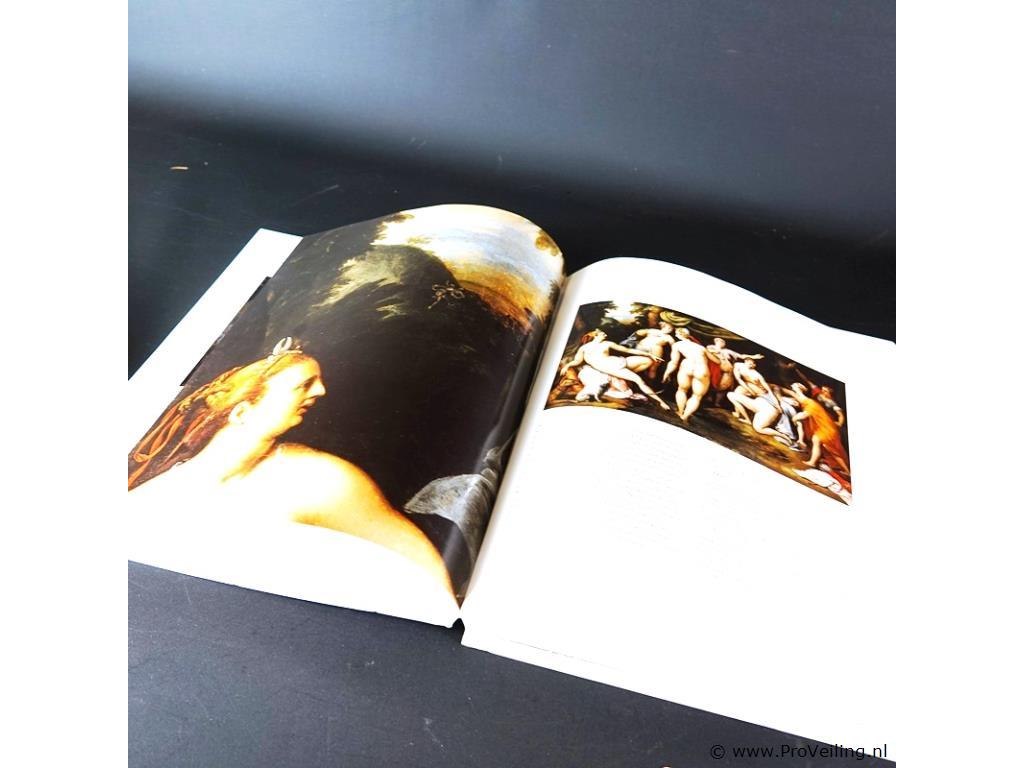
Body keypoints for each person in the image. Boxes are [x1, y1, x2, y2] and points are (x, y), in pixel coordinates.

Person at [128, 338, 454, 595]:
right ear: (242, 413)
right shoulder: (159, 493)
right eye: (305, 384)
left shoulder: (320, 480)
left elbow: (429, 575)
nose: (321, 390)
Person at [560, 330, 671, 410]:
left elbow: (627, 350)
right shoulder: (584, 348)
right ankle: (661, 402)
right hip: (614, 369)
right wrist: (567, 365)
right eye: (602, 333)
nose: (605, 334)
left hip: (619, 361)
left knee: (648, 361)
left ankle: (628, 377)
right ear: (595, 335)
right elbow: (577, 361)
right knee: (639, 380)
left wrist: (650, 354)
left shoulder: (607, 343)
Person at [725, 358, 792, 443]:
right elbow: (739, 379)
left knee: (758, 428)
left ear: (754, 365)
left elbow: (769, 390)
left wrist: (777, 404)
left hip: (766, 407)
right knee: (736, 392)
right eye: (749, 363)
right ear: (745, 362)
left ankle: (782, 435)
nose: (750, 365)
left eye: (752, 364)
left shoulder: (757, 375)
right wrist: (749, 390)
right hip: (761, 403)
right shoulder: (739, 366)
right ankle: (744, 417)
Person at [788, 383, 851, 474]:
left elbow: (841, 416)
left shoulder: (830, 403)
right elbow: (802, 396)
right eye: (823, 390)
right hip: (824, 424)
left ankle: (813, 462)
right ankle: (846, 470)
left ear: (830, 393)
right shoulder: (816, 399)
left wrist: (839, 423)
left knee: (827, 446)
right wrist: (798, 388)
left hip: (828, 426)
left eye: (825, 391)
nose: (823, 392)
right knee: (823, 445)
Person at [661, 327, 712, 421]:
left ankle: (680, 412)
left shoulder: (677, 345)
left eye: (676, 334)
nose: (675, 335)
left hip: (687, 366)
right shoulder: (701, 348)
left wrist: (666, 373)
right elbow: (716, 361)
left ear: (679, 335)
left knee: (682, 390)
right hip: (701, 369)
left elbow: (674, 362)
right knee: (697, 396)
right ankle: (685, 416)